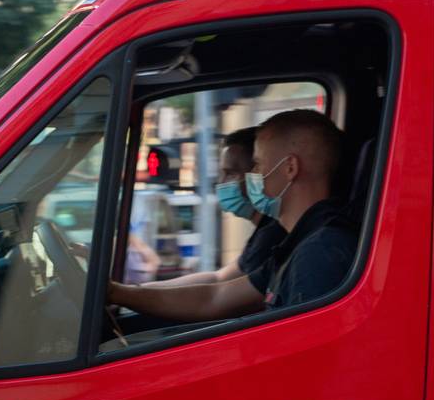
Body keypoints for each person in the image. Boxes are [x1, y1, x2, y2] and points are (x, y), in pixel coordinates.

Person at [107, 109, 357, 321]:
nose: (252, 176)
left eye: (258, 165)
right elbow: (213, 298)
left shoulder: (319, 254)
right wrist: (120, 293)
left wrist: (121, 293)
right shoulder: (296, 245)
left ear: (290, 168)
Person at [142, 126, 286, 288]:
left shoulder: (272, 235)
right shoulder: (265, 229)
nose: (221, 183)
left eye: (231, 173)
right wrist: (139, 290)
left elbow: (219, 293)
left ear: (258, 176)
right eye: (221, 174)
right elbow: (220, 278)